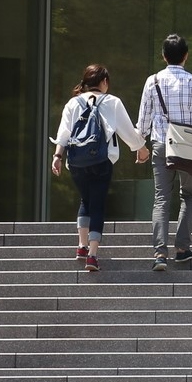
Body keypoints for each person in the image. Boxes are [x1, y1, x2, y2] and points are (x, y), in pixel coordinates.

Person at [49, 63, 145, 272]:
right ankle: (92, 255)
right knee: (98, 204)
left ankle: (81, 246)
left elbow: (63, 133)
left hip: (76, 162)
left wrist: (57, 156)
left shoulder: (73, 103)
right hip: (101, 161)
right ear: (104, 82)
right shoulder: (112, 102)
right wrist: (141, 148)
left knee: (86, 200)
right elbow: (128, 132)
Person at [134, 34, 192, 271]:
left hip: (161, 144)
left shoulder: (153, 81)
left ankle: (160, 254)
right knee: (188, 195)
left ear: (163, 56)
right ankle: (182, 249)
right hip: (188, 147)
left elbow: (143, 121)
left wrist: (140, 147)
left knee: (161, 198)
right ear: (186, 56)